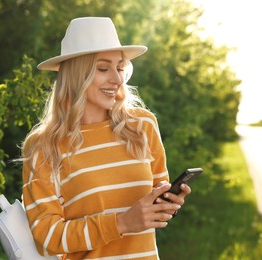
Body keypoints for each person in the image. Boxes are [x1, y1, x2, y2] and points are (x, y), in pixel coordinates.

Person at [21, 17, 191, 259]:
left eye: (120, 67)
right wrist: (121, 223)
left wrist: (168, 203)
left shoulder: (142, 126)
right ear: (76, 75)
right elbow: (47, 237)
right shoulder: (44, 146)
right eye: (103, 69)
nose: (118, 79)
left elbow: (155, 204)